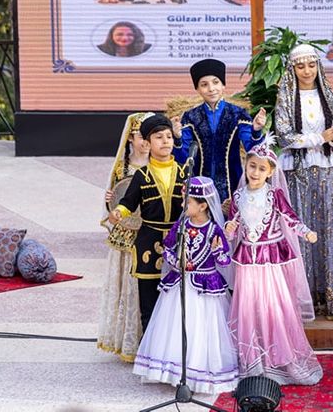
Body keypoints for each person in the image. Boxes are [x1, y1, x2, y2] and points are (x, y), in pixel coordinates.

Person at [274, 43, 333, 321]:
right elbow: (285, 137)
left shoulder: (327, 94)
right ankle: (305, 300)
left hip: (325, 169)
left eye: (311, 65)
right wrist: (319, 137)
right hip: (296, 171)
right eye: (301, 66)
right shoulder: (285, 98)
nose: (307, 71)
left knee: (329, 229)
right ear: (293, 69)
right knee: (301, 229)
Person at [225, 138, 323, 386]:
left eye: (262, 169)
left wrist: (306, 232)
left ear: (270, 173)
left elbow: (290, 218)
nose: (255, 172)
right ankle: (254, 359)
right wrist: (229, 229)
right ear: (246, 166)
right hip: (248, 262)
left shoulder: (274, 195)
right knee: (249, 308)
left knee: (273, 307)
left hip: (271, 260)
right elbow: (233, 226)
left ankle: (279, 358)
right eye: (252, 166)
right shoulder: (238, 196)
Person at [132, 176, 238, 394]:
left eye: (187, 202)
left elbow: (224, 261)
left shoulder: (214, 230)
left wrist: (217, 250)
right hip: (180, 283)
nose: (182, 205)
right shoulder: (181, 225)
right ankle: (173, 371)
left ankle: (198, 371)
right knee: (175, 326)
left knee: (201, 328)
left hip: (204, 288)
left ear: (203, 206)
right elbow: (168, 248)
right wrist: (176, 260)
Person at [108, 114, 193, 330]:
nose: (165, 141)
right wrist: (118, 212)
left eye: (169, 137)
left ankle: (173, 344)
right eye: (158, 137)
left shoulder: (185, 172)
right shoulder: (142, 175)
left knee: (178, 300)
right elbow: (128, 202)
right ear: (147, 143)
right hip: (148, 243)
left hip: (178, 241)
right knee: (149, 302)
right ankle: (149, 344)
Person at [97, 112, 151, 362]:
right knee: (128, 285)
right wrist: (110, 201)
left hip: (149, 230)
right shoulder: (122, 168)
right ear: (130, 138)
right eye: (141, 136)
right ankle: (129, 340)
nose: (146, 142)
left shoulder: (159, 164)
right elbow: (114, 203)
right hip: (127, 233)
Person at [172, 58, 266, 203]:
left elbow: (252, 148)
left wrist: (256, 130)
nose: (211, 88)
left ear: (223, 85)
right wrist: (177, 138)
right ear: (197, 89)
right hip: (200, 185)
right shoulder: (190, 117)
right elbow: (183, 158)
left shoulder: (238, 113)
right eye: (204, 84)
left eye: (215, 82)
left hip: (233, 183)